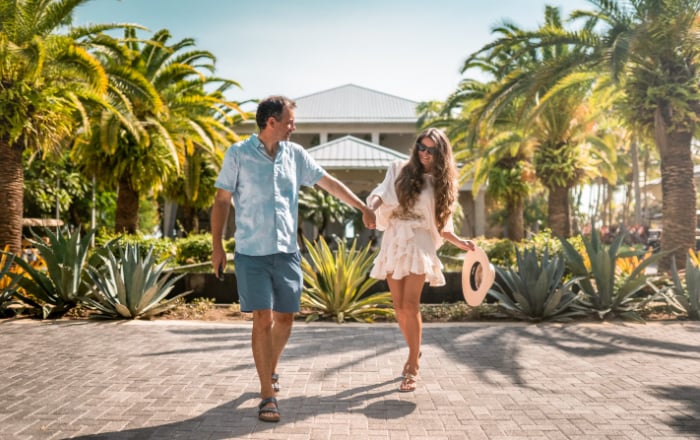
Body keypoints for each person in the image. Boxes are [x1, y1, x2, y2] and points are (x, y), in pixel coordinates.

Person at [210, 95, 376, 422]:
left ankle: (268, 369)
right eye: (289, 121)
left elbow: (328, 182)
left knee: (285, 319)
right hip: (251, 253)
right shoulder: (238, 154)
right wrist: (217, 245)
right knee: (262, 318)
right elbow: (221, 201)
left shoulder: (295, 155)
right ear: (271, 122)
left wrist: (362, 206)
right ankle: (266, 394)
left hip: (287, 252)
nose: (293, 127)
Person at [366, 127, 475, 392]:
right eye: (421, 147)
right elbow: (382, 192)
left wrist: (461, 243)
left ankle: (412, 363)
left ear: (441, 153)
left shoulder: (442, 184)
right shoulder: (398, 168)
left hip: (420, 242)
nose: (424, 153)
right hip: (395, 239)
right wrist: (371, 206)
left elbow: (442, 226)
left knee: (411, 305)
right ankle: (416, 351)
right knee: (399, 308)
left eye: (431, 149)